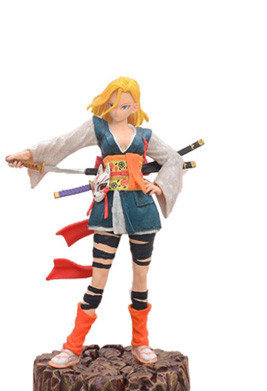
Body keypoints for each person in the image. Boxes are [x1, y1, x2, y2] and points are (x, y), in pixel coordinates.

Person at [6, 77, 184, 368]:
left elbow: (173, 159)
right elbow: (64, 143)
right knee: (97, 280)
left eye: (124, 105)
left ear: (135, 106)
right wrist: (30, 155)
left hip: (142, 212)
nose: (117, 110)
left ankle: (141, 342)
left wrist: (160, 186)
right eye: (112, 104)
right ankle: (73, 346)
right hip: (107, 213)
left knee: (140, 278)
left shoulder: (145, 135)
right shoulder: (98, 128)